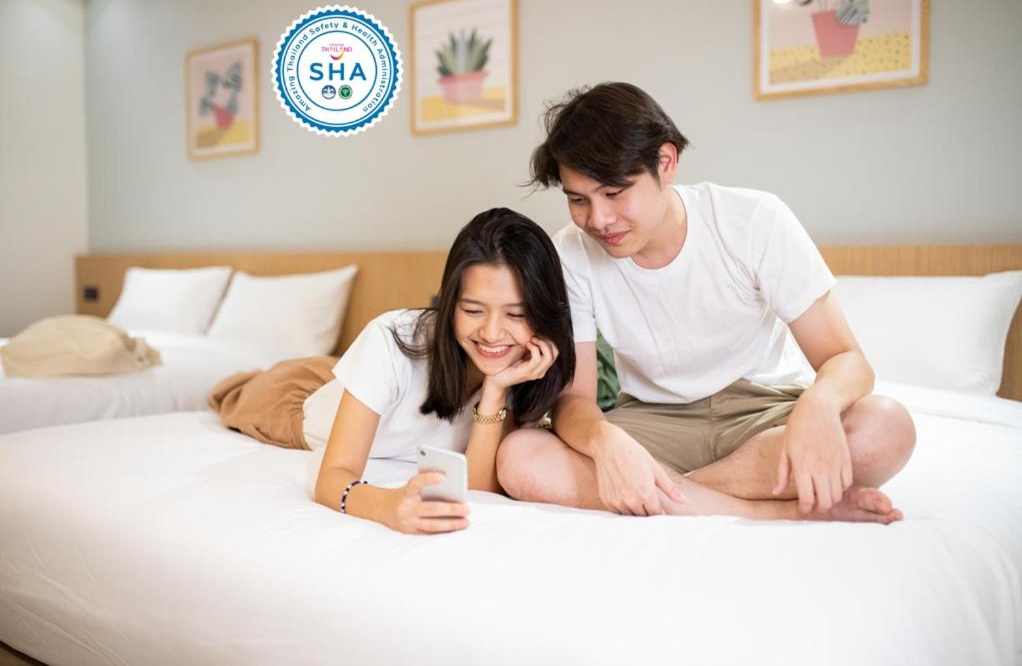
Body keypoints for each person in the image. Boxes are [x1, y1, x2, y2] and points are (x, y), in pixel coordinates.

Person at [495, 82, 917, 524]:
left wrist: (820, 405)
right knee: (519, 456)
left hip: (763, 411)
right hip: (652, 422)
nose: (598, 220)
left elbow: (847, 360)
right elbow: (575, 400)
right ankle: (767, 510)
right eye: (578, 200)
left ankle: (662, 493)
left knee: (885, 428)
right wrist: (605, 442)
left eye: (615, 193)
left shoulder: (753, 220)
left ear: (666, 161)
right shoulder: (570, 253)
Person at [210, 208, 575, 534]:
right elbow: (331, 481)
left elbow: (479, 490)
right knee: (232, 391)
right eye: (473, 311)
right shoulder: (389, 338)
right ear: (449, 304)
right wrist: (388, 506)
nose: (493, 333)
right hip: (295, 399)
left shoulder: (516, 368)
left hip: (357, 381)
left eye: (515, 314)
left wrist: (495, 388)